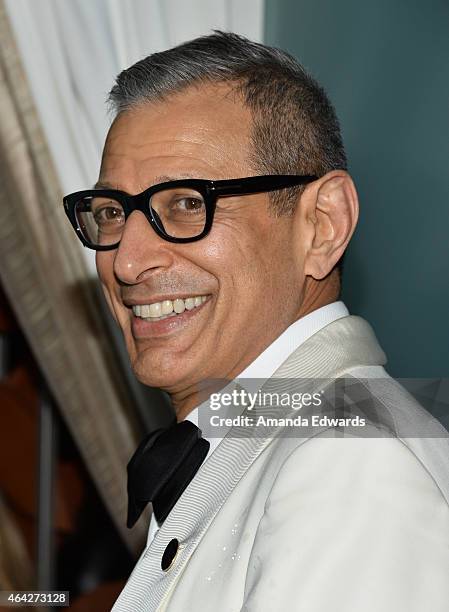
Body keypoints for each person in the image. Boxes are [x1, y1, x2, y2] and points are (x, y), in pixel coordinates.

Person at [63, 32, 449, 612]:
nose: (128, 260)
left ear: (322, 225)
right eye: (115, 213)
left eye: (188, 203)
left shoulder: (352, 466)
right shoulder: (280, 443)